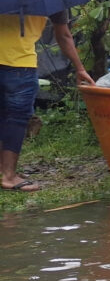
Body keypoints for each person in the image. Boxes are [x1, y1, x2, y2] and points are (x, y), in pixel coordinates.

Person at [1, 11, 93, 192]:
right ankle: (8, 176)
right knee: (16, 119)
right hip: (19, 64)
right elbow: (64, 35)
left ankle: (4, 171)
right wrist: (79, 68)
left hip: (18, 64)